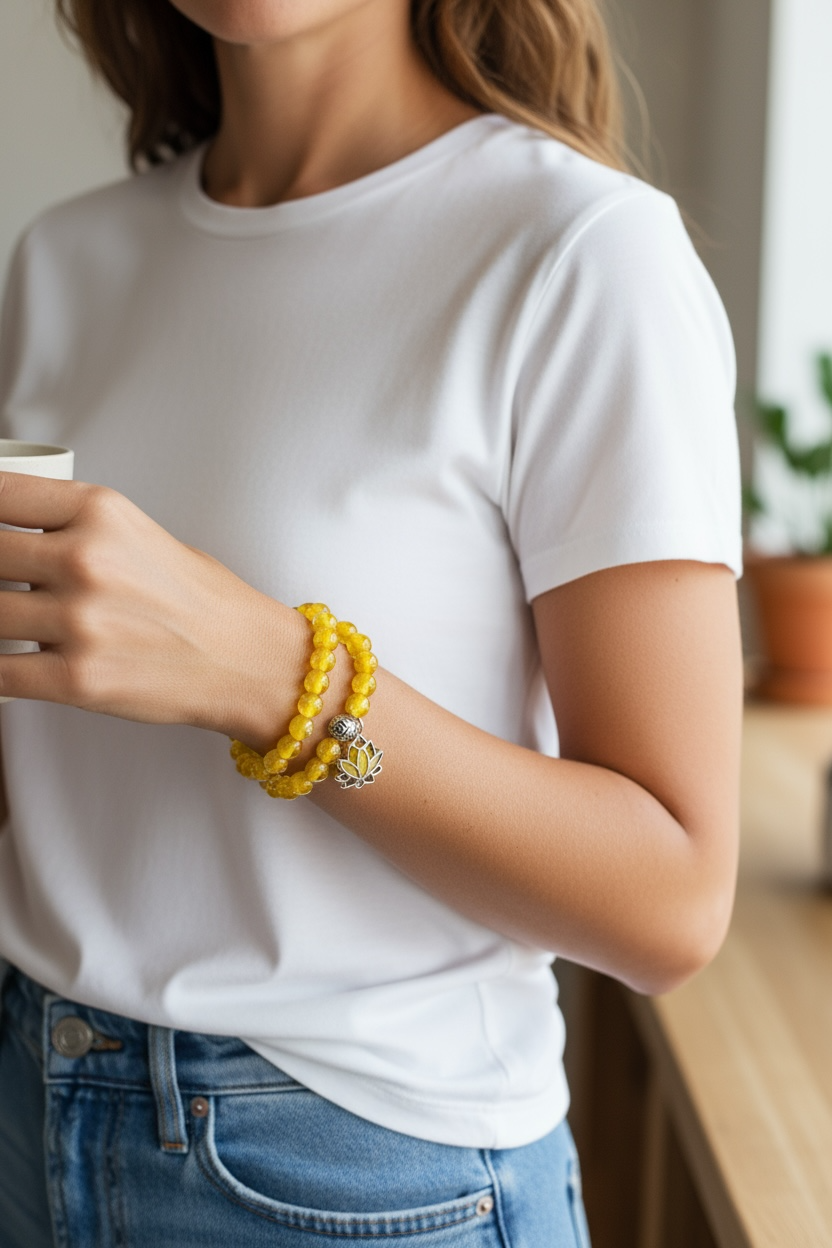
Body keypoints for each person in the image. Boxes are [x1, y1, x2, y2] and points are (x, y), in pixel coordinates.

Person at [0, 0, 743, 1243]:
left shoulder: (578, 254)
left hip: (360, 1171)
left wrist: (270, 677)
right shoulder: (64, 262)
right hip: (30, 1103)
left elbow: (671, 900)